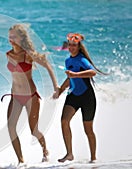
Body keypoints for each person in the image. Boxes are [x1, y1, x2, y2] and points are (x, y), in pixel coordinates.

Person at [1, 24, 59, 165]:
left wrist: (56, 86)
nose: (11, 39)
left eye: (14, 36)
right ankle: (21, 161)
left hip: (30, 97)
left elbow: (47, 65)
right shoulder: (8, 54)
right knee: (11, 127)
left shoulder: (28, 55)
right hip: (15, 96)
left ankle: (45, 151)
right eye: (10, 36)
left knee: (34, 130)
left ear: (21, 38)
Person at [55, 33, 107, 163]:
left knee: (88, 129)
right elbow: (69, 78)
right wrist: (61, 90)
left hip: (87, 97)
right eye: (70, 45)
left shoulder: (82, 59)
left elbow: (92, 72)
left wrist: (75, 74)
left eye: (74, 45)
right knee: (64, 121)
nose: (72, 48)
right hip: (73, 96)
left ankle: (93, 158)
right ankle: (69, 154)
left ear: (78, 47)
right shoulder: (68, 61)